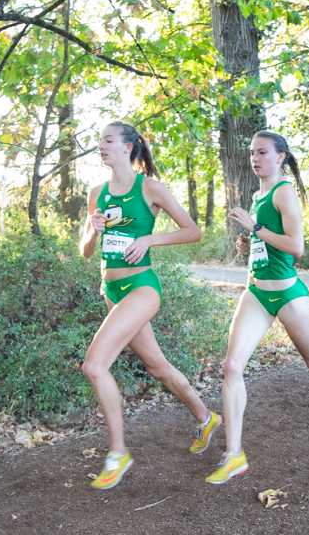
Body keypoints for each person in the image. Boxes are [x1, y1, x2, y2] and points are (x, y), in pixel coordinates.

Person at [206, 131, 309, 485]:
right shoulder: (258, 194)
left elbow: (296, 247)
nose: (255, 158)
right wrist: (250, 242)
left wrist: (256, 227)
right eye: (251, 153)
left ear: (280, 157)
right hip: (257, 292)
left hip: (289, 293)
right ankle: (234, 455)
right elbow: (265, 244)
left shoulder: (283, 192)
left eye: (262, 152)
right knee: (231, 365)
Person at [79, 121, 221, 490]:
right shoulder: (96, 193)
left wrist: (150, 239)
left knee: (95, 366)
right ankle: (206, 418)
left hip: (142, 287)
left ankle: (118, 453)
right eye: (99, 142)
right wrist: (93, 229)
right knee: (157, 367)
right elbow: (85, 251)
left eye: (108, 140)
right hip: (113, 290)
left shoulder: (150, 188)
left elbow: (193, 231)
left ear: (128, 147)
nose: (101, 147)